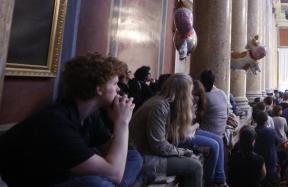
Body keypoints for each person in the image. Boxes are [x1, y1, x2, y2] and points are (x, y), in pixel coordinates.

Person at [0, 53, 142, 187]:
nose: (118, 89)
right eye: (114, 83)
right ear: (99, 89)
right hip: (38, 182)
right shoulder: (56, 123)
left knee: (134, 157)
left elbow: (111, 152)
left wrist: (118, 121)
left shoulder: (90, 115)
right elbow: (115, 174)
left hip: (66, 173)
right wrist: (122, 123)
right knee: (95, 184)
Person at [129, 73, 203, 187]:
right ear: (183, 94)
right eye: (190, 93)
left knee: (192, 160)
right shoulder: (159, 107)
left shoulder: (163, 103)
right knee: (195, 167)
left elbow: (172, 138)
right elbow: (159, 145)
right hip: (143, 157)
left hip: (146, 153)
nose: (191, 97)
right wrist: (182, 153)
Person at [190, 80, 227, 185]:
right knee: (214, 145)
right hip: (188, 134)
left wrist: (196, 124)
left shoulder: (198, 102)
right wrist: (196, 125)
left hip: (194, 131)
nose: (196, 98)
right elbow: (184, 130)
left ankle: (220, 178)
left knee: (219, 140)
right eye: (194, 94)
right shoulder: (186, 103)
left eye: (198, 95)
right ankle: (209, 181)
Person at [254, 110, 281, 186]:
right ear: (266, 120)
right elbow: (277, 142)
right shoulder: (271, 131)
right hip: (270, 159)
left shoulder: (254, 131)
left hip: (258, 160)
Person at [199, 69, 229, 138]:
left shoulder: (205, 96)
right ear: (214, 81)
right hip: (220, 132)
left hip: (208, 134)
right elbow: (227, 113)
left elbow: (197, 118)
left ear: (201, 81)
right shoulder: (222, 93)